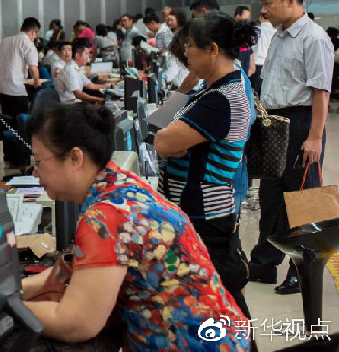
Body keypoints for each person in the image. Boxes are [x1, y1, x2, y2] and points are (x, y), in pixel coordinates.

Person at [20, 102, 250, 350]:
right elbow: (81, 270)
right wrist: (13, 291)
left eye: (39, 162)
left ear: (75, 158)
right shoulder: (121, 185)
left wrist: (9, 311)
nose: (35, 173)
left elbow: (76, 322)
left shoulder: (105, 217)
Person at [153, 12, 257, 318]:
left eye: (190, 47)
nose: (186, 54)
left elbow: (161, 141)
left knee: (218, 301)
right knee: (218, 300)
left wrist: (169, 141)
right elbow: (161, 126)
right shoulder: (217, 87)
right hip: (202, 212)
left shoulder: (221, 99)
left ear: (212, 49)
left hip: (205, 215)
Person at [248, 0, 334, 295]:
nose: (263, 9)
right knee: (271, 197)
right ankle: (264, 263)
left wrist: (314, 137)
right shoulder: (280, 36)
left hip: (301, 123)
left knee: (304, 200)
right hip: (275, 123)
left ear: (291, 1)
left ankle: (303, 269)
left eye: (267, 2)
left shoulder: (314, 38)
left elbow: (320, 92)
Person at [0, 17, 41, 167]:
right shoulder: (28, 44)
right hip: (16, 89)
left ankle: (9, 158)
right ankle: (21, 159)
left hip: (1, 88)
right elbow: (33, 68)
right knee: (21, 124)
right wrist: (37, 83)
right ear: (34, 31)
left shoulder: (4, 41)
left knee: (7, 123)